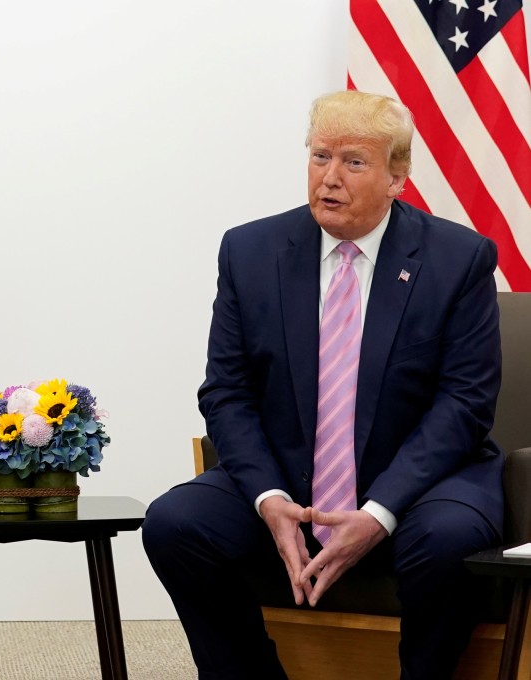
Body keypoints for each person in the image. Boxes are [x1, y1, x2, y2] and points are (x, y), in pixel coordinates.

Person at [142, 91, 502, 680]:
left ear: (397, 178)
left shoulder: (457, 260)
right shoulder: (250, 251)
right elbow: (226, 391)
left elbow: (465, 403)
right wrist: (270, 499)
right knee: (175, 523)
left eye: (354, 162)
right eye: (319, 156)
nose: (329, 177)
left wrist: (380, 510)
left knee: (449, 538)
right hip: (290, 477)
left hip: (417, 486)